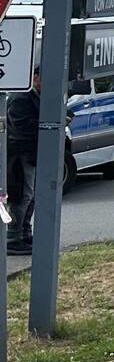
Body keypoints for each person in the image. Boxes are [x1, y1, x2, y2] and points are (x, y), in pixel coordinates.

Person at [5, 66, 39, 255]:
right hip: (20, 155)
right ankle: (13, 236)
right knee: (22, 196)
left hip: (30, 153)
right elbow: (21, 126)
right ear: (35, 78)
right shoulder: (21, 98)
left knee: (31, 196)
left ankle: (24, 233)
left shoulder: (33, 96)